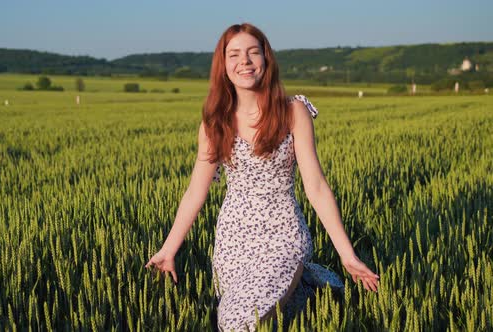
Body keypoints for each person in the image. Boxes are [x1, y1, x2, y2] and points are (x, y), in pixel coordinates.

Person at [145, 23, 380, 331]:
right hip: (232, 245)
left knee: (235, 322)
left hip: (283, 238)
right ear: (224, 65)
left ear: (266, 61)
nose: (245, 61)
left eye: (254, 52)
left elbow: (317, 187)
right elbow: (195, 192)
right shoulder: (215, 124)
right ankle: (309, 285)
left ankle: (300, 274)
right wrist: (167, 250)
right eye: (235, 54)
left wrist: (347, 256)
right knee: (277, 317)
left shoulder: (292, 111)